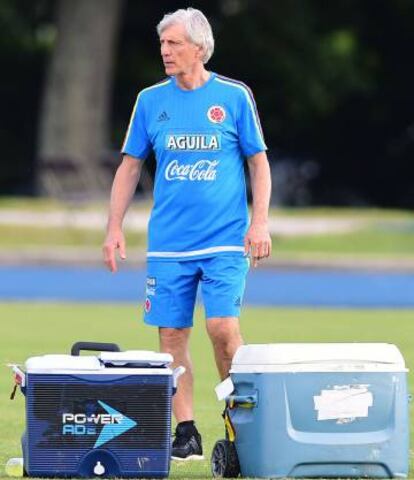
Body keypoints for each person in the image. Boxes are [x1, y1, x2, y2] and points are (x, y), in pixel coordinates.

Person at [103, 7, 271, 461]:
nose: (165, 51)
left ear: (200, 47)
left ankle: (241, 424)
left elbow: (258, 162)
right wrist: (114, 227)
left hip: (225, 241)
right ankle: (187, 431)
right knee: (172, 336)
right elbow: (129, 166)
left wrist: (259, 222)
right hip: (169, 245)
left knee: (221, 328)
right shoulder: (150, 100)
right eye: (163, 43)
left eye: (174, 43)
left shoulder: (234, 97)